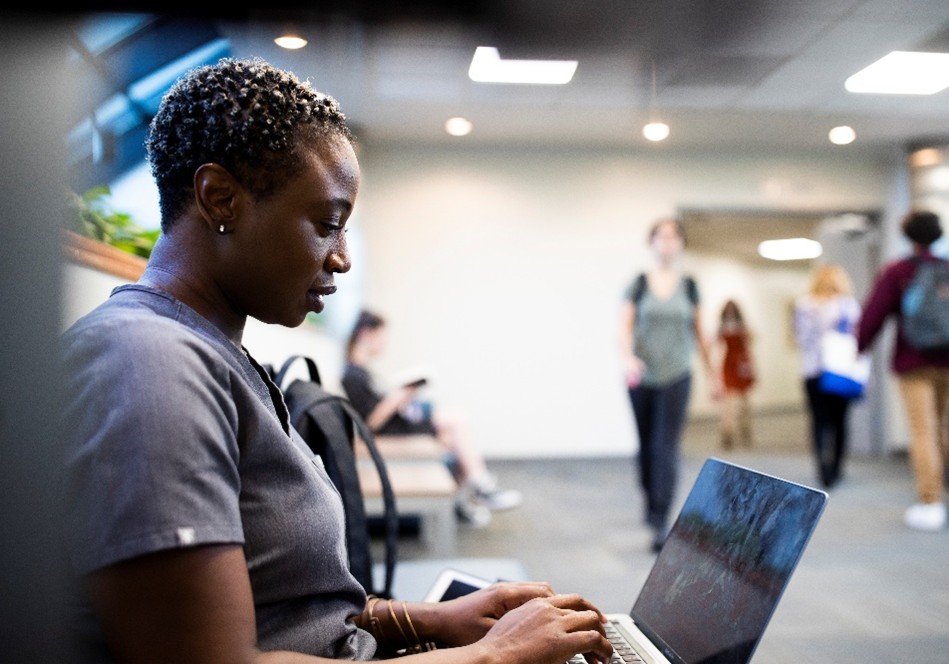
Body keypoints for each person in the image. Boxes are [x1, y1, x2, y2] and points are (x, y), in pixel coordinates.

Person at [59, 57, 612, 664]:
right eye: (328, 224)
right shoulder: (148, 365)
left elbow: (290, 607)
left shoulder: (207, 352)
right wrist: (494, 655)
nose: (342, 258)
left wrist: (432, 619)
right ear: (220, 198)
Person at [857, 210, 949, 531]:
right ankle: (938, 491)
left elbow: (874, 314)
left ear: (908, 236)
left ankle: (930, 501)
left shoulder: (899, 271)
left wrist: (859, 346)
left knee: (923, 430)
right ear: (937, 235)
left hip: (914, 362)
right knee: (941, 427)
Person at [342, 308, 523, 528]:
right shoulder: (353, 375)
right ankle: (480, 486)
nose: (384, 344)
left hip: (396, 426)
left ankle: (460, 502)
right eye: (382, 337)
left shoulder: (361, 371)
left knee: (452, 435)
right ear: (365, 334)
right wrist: (401, 394)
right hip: (388, 433)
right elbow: (371, 422)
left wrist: (402, 395)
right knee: (456, 421)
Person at [619, 217, 719, 552]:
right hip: (641, 376)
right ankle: (651, 502)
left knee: (666, 447)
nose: (667, 242)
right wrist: (628, 357)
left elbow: (700, 333)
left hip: (677, 375)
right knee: (647, 448)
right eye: (661, 236)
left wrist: (714, 373)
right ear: (652, 242)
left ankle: (661, 521)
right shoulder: (638, 283)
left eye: (674, 237)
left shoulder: (689, 285)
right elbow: (623, 328)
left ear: (680, 244)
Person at [793, 264, 862, 489]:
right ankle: (836, 468)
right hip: (840, 371)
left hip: (813, 371)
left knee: (819, 422)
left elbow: (800, 339)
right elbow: (858, 339)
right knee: (840, 422)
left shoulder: (804, 304)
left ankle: (823, 469)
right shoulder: (847, 306)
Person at [715, 299, 756, 449]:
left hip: (741, 364)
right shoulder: (722, 328)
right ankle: (728, 433)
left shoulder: (743, 326)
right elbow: (717, 344)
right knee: (729, 403)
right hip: (729, 364)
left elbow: (751, 341)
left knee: (745, 402)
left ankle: (745, 429)